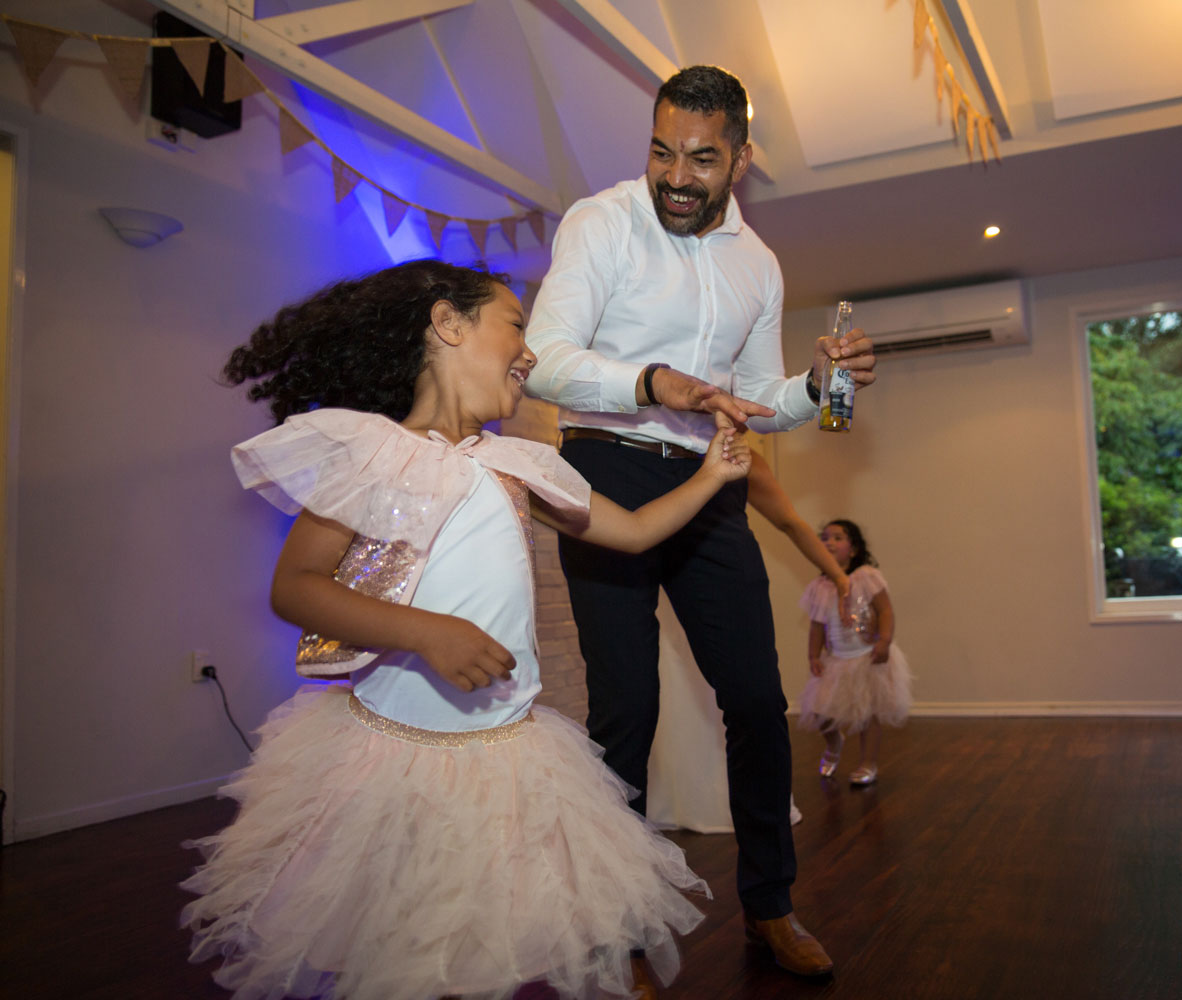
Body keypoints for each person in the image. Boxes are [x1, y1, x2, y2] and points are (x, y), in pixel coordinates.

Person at [182, 260, 754, 1000]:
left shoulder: (520, 463)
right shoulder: (372, 453)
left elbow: (638, 532)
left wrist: (712, 474)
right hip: (390, 753)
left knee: (483, 934)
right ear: (448, 324)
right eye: (516, 324)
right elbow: (296, 588)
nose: (530, 350)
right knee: (395, 936)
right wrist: (425, 632)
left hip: (506, 755)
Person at [524, 65, 875, 977]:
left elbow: (756, 399)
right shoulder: (601, 223)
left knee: (758, 701)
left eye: (703, 158)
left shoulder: (757, 264)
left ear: (741, 159)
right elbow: (546, 360)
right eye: (661, 150)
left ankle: (771, 905)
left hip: (709, 481)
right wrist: (647, 383)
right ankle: (620, 927)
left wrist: (812, 385)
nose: (676, 175)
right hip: (601, 467)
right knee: (626, 709)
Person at [647, 452, 850, 833]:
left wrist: (838, 575)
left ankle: (732, 806)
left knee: (739, 701)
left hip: (719, 599)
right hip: (663, 601)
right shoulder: (641, 449)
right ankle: (670, 800)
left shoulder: (742, 457)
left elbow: (790, 521)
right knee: (666, 697)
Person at [799, 519, 913, 786]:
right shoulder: (820, 587)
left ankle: (867, 763)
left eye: (838, 537)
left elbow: (885, 610)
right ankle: (834, 742)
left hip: (867, 656)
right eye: (825, 538)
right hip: (837, 659)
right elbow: (817, 626)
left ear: (853, 548)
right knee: (819, 711)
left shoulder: (866, 577)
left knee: (868, 713)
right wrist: (813, 656)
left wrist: (884, 641)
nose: (829, 542)